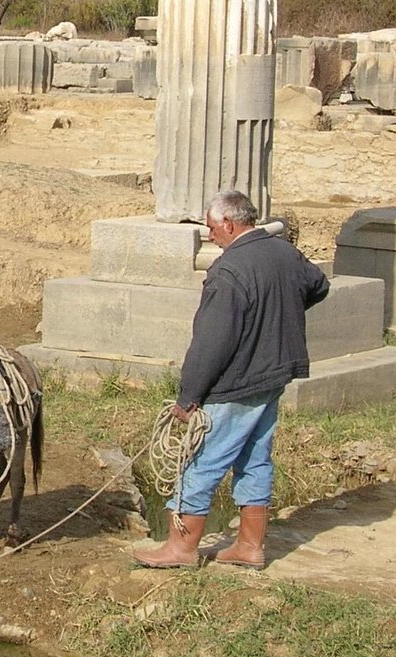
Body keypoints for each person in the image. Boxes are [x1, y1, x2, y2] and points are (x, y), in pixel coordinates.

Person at [134, 190, 330, 570]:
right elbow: (318, 285)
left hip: (237, 382)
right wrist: (279, 313)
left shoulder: (228, 272)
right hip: (274, 375)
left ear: (229, 223)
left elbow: (211, 344)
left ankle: (181, 548)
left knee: (202, 461)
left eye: (210, 227)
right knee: (255, 459)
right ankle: (249, 546)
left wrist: (188, 396)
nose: (209, 236)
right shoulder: (284, 252)